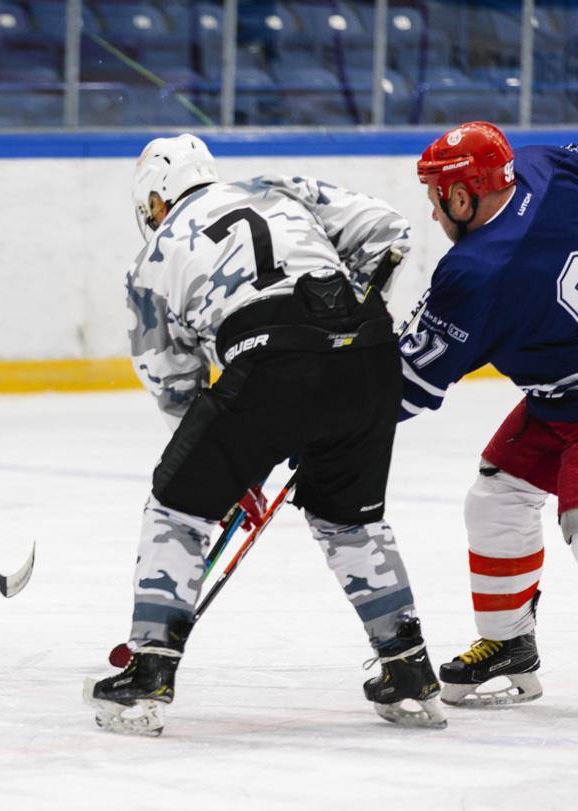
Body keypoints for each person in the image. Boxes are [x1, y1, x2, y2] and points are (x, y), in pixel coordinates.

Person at [84, 133, 444, 736]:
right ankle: (409, 672)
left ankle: (148, 673)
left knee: (176, 507)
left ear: (155, 200)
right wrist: (345, 318)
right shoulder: (275, 187)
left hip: (273, 365)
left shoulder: (153, 257)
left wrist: (230, 470)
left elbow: (171, 379)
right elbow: (390, 231)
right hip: (370, 359)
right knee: (351, 520)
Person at [404, 122, 578, 707]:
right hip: (558, 394)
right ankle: (509, 645)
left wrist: (329, 421)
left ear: (462, 196)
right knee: (499, 495)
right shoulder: (539, 165)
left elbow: (408, 387)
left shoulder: (474, 273)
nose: (434, 215)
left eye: (436, 200)